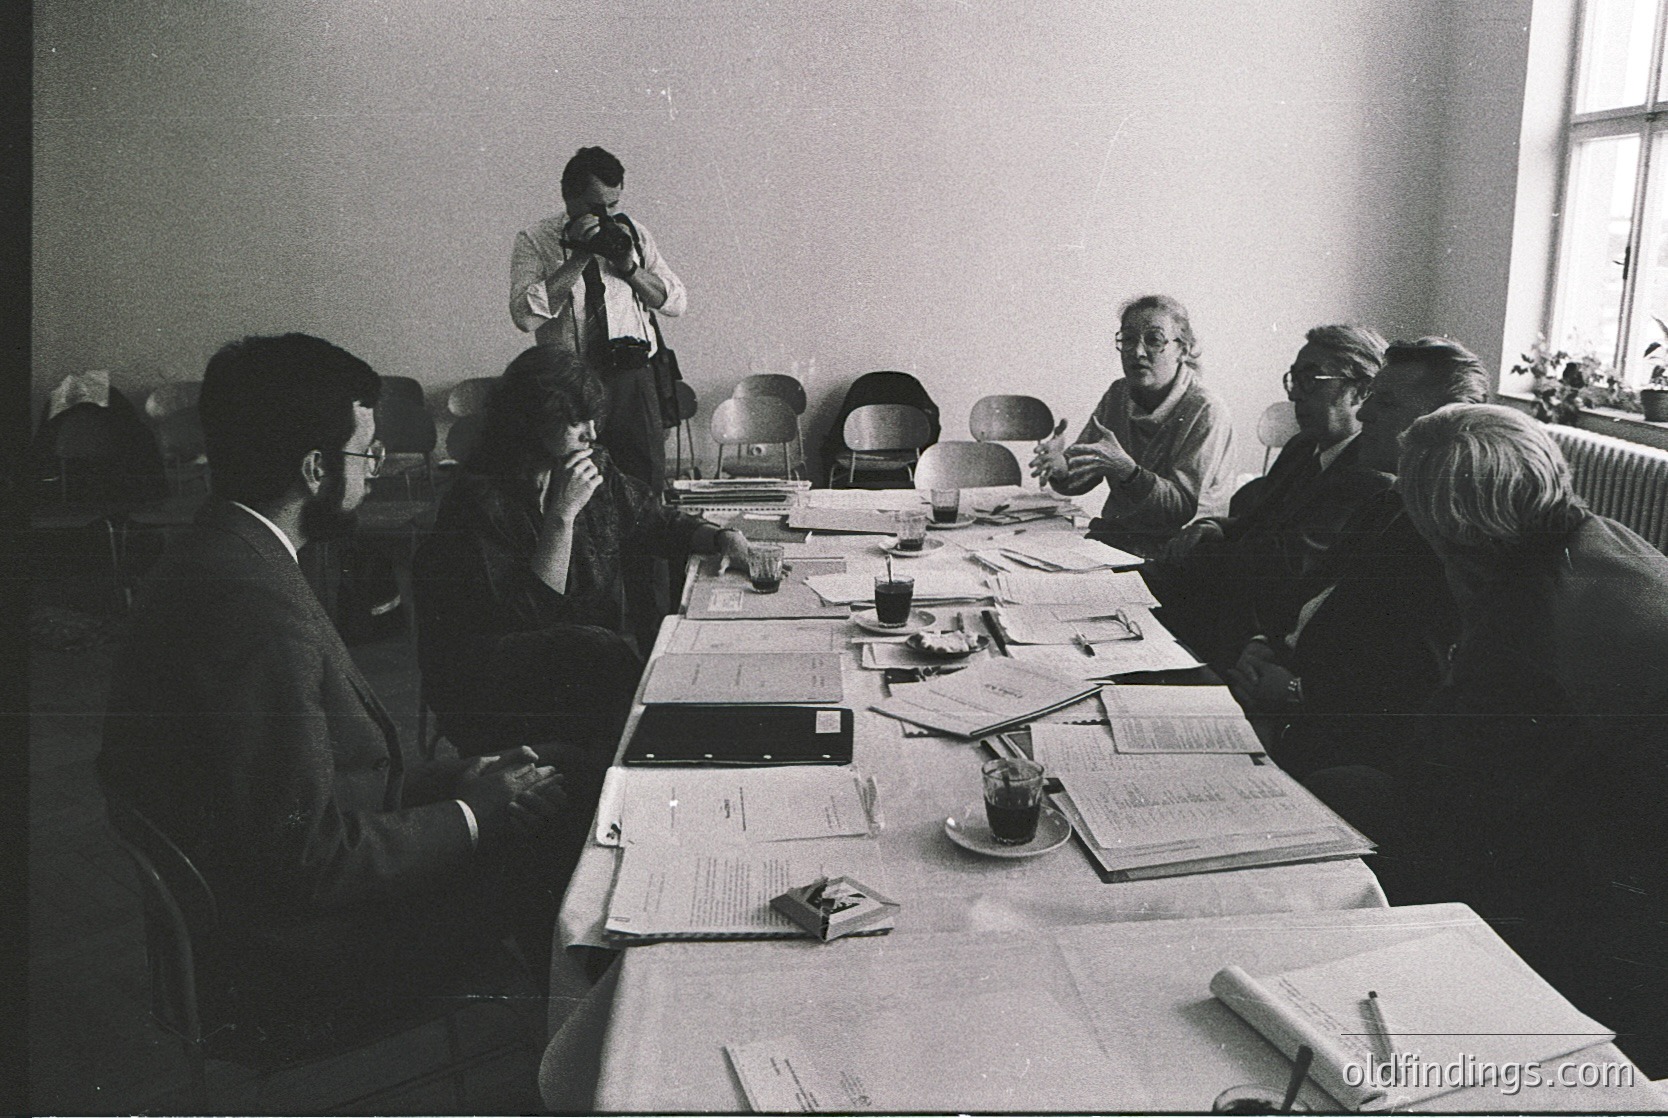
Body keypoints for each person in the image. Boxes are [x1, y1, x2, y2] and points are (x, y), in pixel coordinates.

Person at [98, 334, 580, 1045]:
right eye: (368, 452)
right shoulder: (249, 609)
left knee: (569, 768)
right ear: (317, 470)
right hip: (291, 961)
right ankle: (586, 1067)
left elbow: (307, 785)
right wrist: (473, 814)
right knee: (572, 835)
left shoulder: (233, 552)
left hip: (282, 906)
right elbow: (308, 860)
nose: (377, 467)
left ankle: (575, 1048)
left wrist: (457, 778)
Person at [1309, 404, 1668, 1076]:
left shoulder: (1523, 630)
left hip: (1615, 907)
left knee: (1340, 790)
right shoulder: (1606, 538)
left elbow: (1436, 793)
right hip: (1631, 840)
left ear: (1445, 527)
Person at [413, 346, 752, 764]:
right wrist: (562, 516)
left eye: (593, 418)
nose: (591, 433)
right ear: (530, 422)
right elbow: (527, 620)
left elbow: (651, 520)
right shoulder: (477, 502)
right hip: (502, 692)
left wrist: (719, 537)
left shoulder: (587, 464)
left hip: (583, 675)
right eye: (575, 422)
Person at [1220, 337, 1490, 776]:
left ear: (1441, 422)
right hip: (1282, 701)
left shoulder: (1447, 539)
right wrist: (1263, 647)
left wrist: (1291, 690)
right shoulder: (1388, 501)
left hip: (1331, 747)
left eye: (1383, 402)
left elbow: (1405, 694)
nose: (1363, 413)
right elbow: (1305, 599)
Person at [1144, 324, 1391, 659]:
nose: (1293, 395)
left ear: (1361, 391)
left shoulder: (1368, 474)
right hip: (1233, 605)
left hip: (1262, 636)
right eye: (1293, 378)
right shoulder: (1303, 446)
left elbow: (1280, 566)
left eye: (1310, 380)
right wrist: (1215, 526)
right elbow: (1255, 520)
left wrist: (1196, 550)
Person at [510, 145, 687, 494]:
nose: (606, 216)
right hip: (570, 383)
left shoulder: (632, 233)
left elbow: (676, 302)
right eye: (596, 207)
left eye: (614, 205)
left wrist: (628, 267)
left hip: (632, 378)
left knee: (643, 483)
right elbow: (524, 317)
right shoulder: (535, 239)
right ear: (569, 197)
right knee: (576, 481)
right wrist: (579, 258)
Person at [1030, 294, 1235, 559]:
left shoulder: (1205, 410)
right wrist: (1060, 466)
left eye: (1153, 340)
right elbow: (1082, 475)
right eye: (1128, 339)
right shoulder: (1119, 393)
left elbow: (1182, 509)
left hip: (1179, 553)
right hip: (1118, 541)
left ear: (1182, 350)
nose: (1137, 352)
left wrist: (1128, 472)